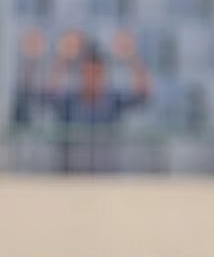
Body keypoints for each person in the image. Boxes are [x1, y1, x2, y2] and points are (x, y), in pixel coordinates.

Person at [45, 29, 151, 172]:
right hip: (71, 177)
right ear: (80, 75)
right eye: (87, 73)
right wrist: (63, 58)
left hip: (104, 177)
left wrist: (131, 57)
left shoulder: (113, 100)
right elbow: (48, 95)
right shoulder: (70, 101)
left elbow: (143, 95)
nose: (92, 79)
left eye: (96, 74)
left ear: (103, 75)